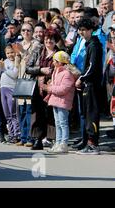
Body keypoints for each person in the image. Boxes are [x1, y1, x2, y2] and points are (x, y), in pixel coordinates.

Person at [25, 28, 61, 150]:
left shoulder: (60, 53)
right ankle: (37, 139)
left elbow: (64, 69)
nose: (48, 41)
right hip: (37, 87)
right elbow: (28, 68)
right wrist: (41, 70)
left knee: (51, 113)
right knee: (37, 113)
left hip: (53, 86)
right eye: (46, 39)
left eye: (51, 39)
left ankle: (51, 138)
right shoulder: (38, 50)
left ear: (56, 41)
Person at [75, 18, 104, 155]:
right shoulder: (88, 44)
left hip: (92, 85)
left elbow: (92, 67)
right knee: (87, 114)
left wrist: (81, 78)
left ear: (91, 30)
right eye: (80, 30)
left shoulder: (94, 45)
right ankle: (89, 142)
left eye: (84, 30)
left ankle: (93, 145)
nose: (81, 32)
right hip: (88, 84)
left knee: (92, 114)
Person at [12, 22, 40, 147]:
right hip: (20, 79)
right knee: (21, 110)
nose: (25, 33)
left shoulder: (36, 44)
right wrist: (17, 55)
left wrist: (22, 51)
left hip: (30, 79)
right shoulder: (20, 44)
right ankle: (23, 137)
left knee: (29, 110)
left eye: (28, 30)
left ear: (32, 32)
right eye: (23, 30)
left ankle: (30, 137)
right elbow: (16, 65)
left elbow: (32, 60)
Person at [44, 51, 78, 153]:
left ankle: (64, 143)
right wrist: (51, 85)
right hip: (55, 100)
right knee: (57, 123)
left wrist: (50, 88)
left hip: (63, 102)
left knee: (63, 123)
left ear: (60, 62)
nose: (53, 62)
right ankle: (58, 142)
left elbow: (63, 89)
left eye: (55, 60)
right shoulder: (56, 71)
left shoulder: (67, 73)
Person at [0, 44, 20, 143]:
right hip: (3, 88)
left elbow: (14, 75)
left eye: (12, 52)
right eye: (8, 53)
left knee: (13, 112)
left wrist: (4, 68)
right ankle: (11, 133)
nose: (10, 55)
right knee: (7, 114)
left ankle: (16, 134)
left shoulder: (17, 62)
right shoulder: (4, 62)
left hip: (12, 88)